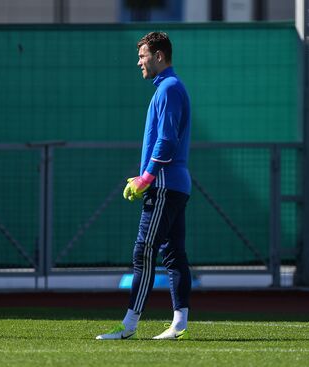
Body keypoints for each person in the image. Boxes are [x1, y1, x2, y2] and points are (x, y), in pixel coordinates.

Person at [96, 31, 192, 340]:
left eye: (143, 56)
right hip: (174, 184)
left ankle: (129, 326)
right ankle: (179, 325)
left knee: (144, 253)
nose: (139, 61)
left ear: (159, 56)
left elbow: (166, 140)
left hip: (164, 184)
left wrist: (146, 178)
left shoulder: (169, 89)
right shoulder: (168, 88)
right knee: (174, 253)